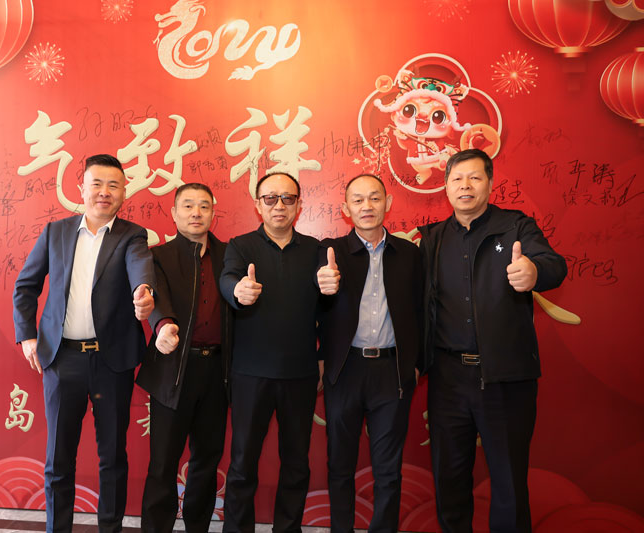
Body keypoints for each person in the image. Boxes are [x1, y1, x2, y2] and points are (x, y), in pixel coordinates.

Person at [417, 148, 567, 533]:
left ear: (490, 182)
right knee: (449, 479)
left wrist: (534, 271)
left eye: (474, 177)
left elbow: (555, 265)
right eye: (456, 179)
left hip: (504, 377)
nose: (465, 185)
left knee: (508, 483)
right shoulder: (432, 239)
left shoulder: (516, 227)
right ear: (445, 187)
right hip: (448, 379)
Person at [12, 154, 155, 533]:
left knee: (112, 457)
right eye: (97, 184)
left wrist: (144, 291)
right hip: (63, 361)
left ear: (124, 192)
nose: (104, 192)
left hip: (112, 363)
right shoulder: (55, 233)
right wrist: (27, 335)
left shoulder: (132, 236)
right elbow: (26, 286)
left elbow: (140, 268)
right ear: (82, 189)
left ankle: (110, 528)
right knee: (58, 459)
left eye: (113, 185)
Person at [316, 174, 423, 533]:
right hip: (345, 370)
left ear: (387, 203)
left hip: (392, 371)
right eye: (358, 200)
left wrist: (417, 364)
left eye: (374, 198)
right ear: (345, 209)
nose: (367, 206)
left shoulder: (409, 254)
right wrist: (322, 285)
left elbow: (423, 311)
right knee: (340, 465)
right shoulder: (330, 252)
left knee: (388, 470)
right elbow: (312, 305)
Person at [219, 172, 324, 533]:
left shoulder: (315, 249)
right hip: (250, 374)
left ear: (299, 204)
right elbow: (227, 278)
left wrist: (331, 289)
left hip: (300, 374)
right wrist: (238, 290)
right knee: (242, 464)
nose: (279, 205)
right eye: (270, 198)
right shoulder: (240, 246)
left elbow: (328, 310)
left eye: (288, 198)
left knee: (296, 464)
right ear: (258, 204)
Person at [136, 183, 232, 533]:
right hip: (174, 368)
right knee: (163, 461)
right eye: (188, 206)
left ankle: (198, 527)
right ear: (174, 213)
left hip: (217, 370)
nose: (196, 213)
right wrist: (163, 325)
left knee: (207, 458)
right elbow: (155, 296)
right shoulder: (157, 256)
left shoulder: (230, 255)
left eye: (203, 206)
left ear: (213, 213)